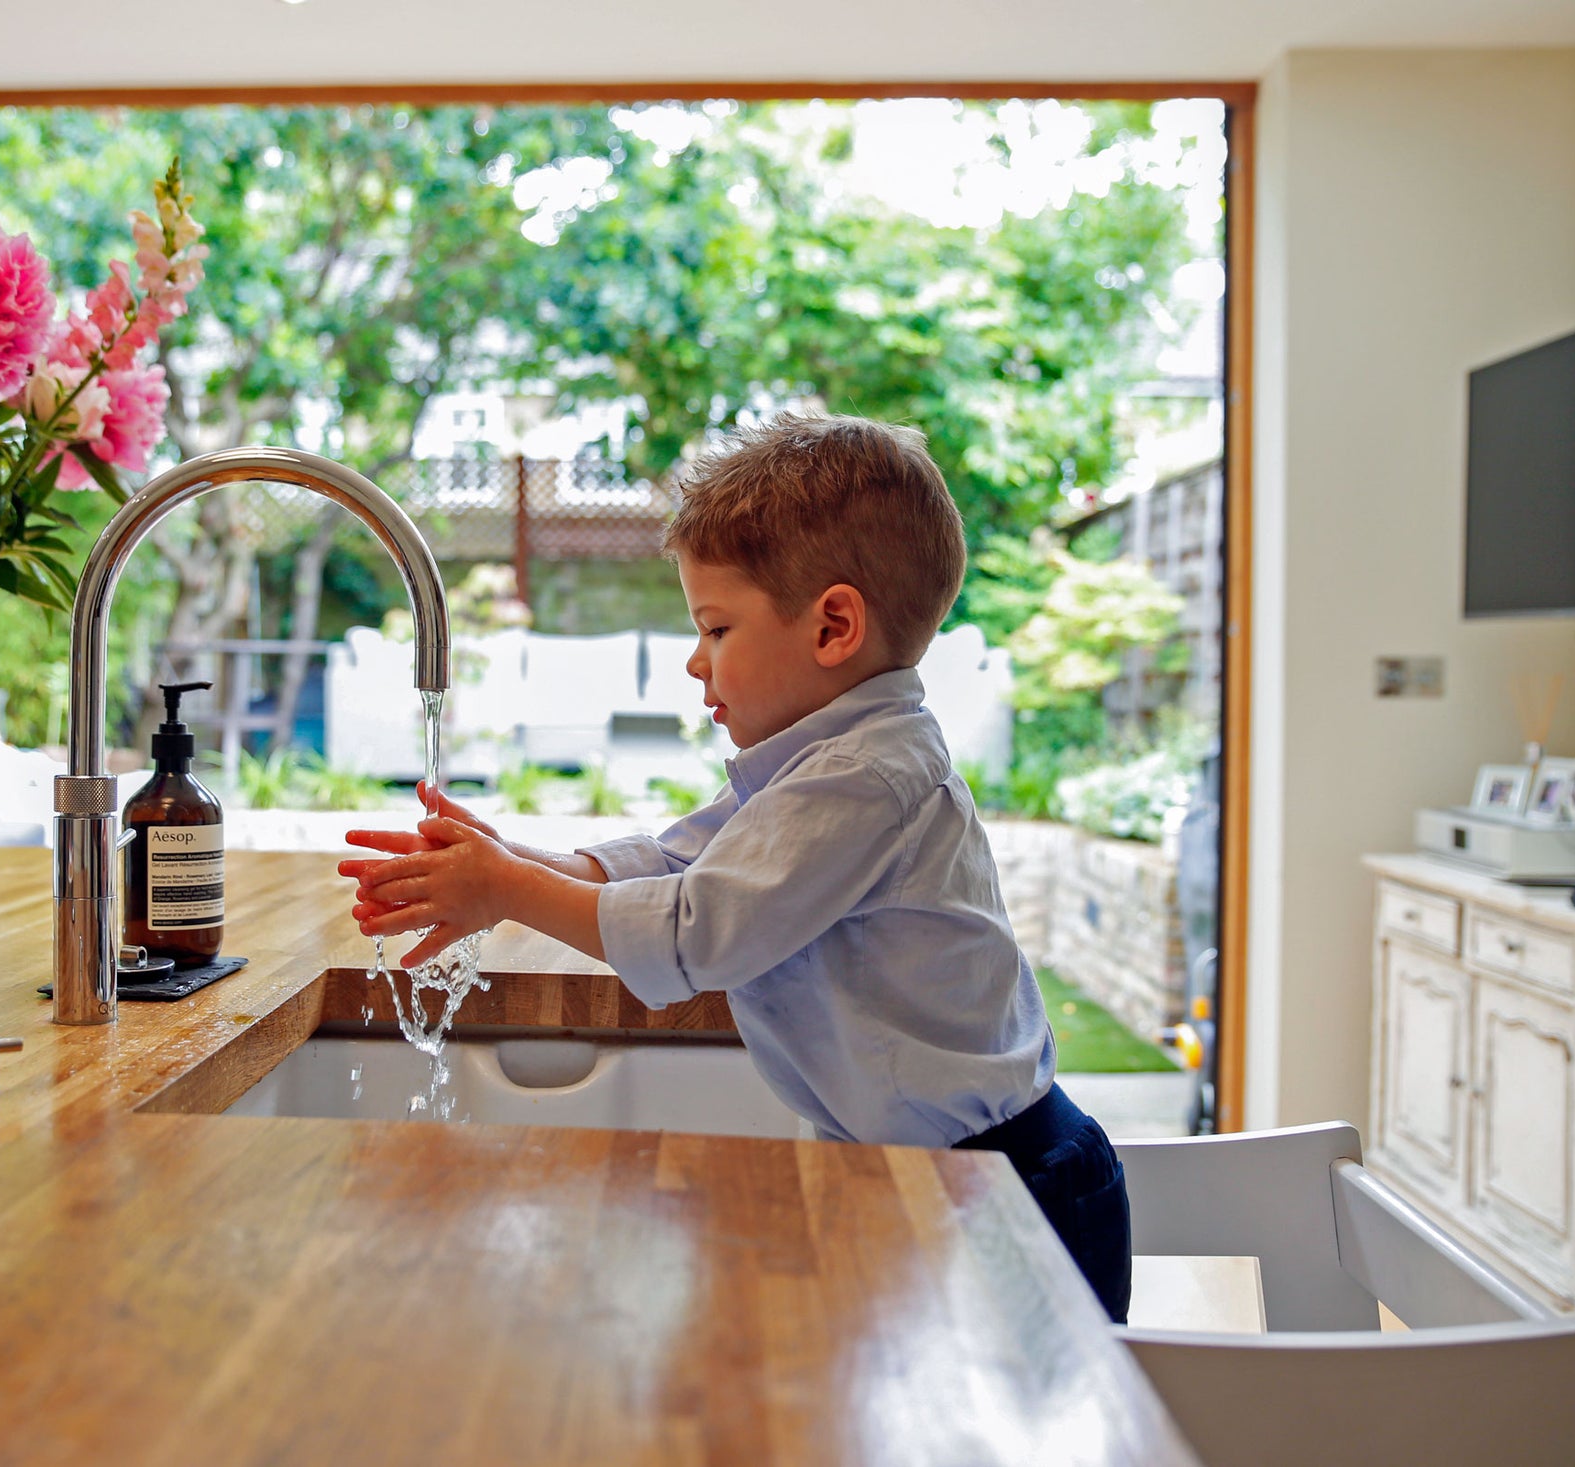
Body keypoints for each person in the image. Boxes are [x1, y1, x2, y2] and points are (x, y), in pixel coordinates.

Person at [338, 413, 1131, 1323]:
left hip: (1010, 1193)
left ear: (834, 625)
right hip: (947, 1174)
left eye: (716, 627)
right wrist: (512, 863)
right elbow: (678, 860)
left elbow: (698, 933)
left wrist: (510, 889)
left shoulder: (866, 777)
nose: (693, 659)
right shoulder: (822, 760)